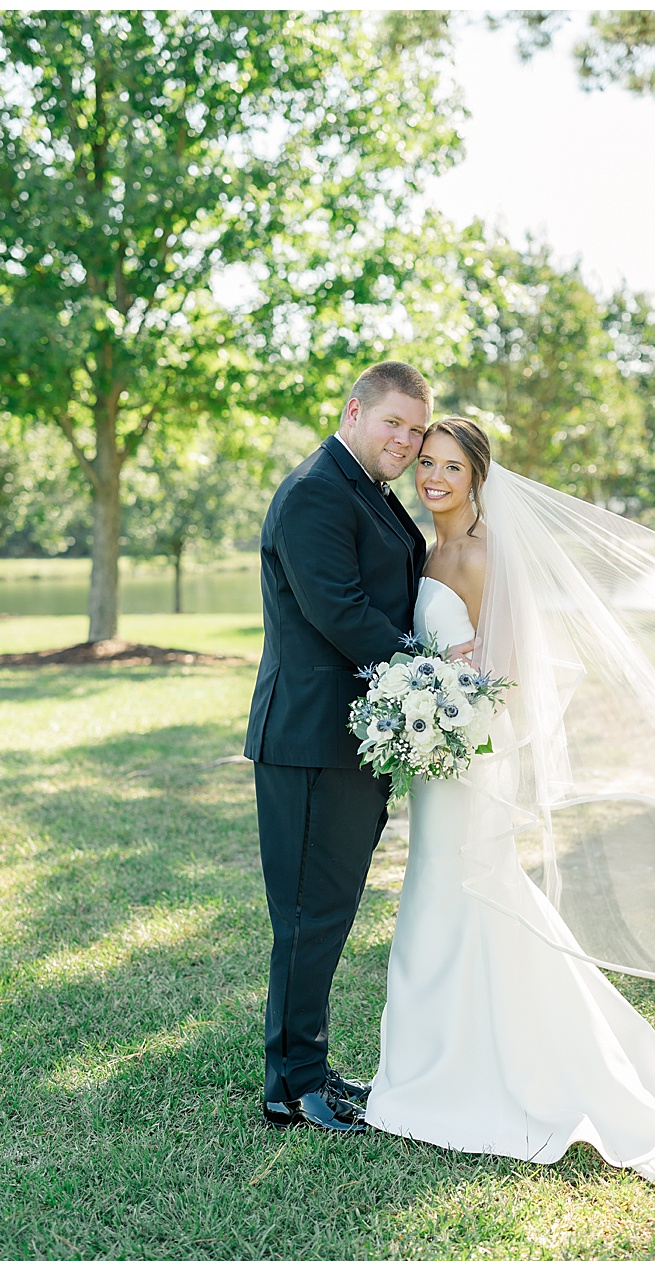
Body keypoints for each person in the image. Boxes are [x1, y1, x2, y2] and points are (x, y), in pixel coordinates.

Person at [364, 417, 655, 1197]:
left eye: (451, 467)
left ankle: (465, 1072)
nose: (434, 478)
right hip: (437, 759)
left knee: (464, 894)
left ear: (478, 478)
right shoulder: (428, 551)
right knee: (438, 897)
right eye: (426, 463)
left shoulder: (484, 554)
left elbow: (511, 670)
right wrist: (422, 699)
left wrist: (455, 713)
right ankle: (432, 1062)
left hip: (469, 757)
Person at [245, 361, 449, 1133]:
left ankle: (312, 1065)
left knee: (327, 912)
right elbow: (341, 611)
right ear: (354, 411)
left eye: (415, 430)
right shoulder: (315, 492)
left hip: (353, 738)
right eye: (393, 422)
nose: (405, 440)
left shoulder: (366, 490)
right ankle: (292, 1087)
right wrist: (431, 674)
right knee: (308, 915)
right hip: (309, 740)